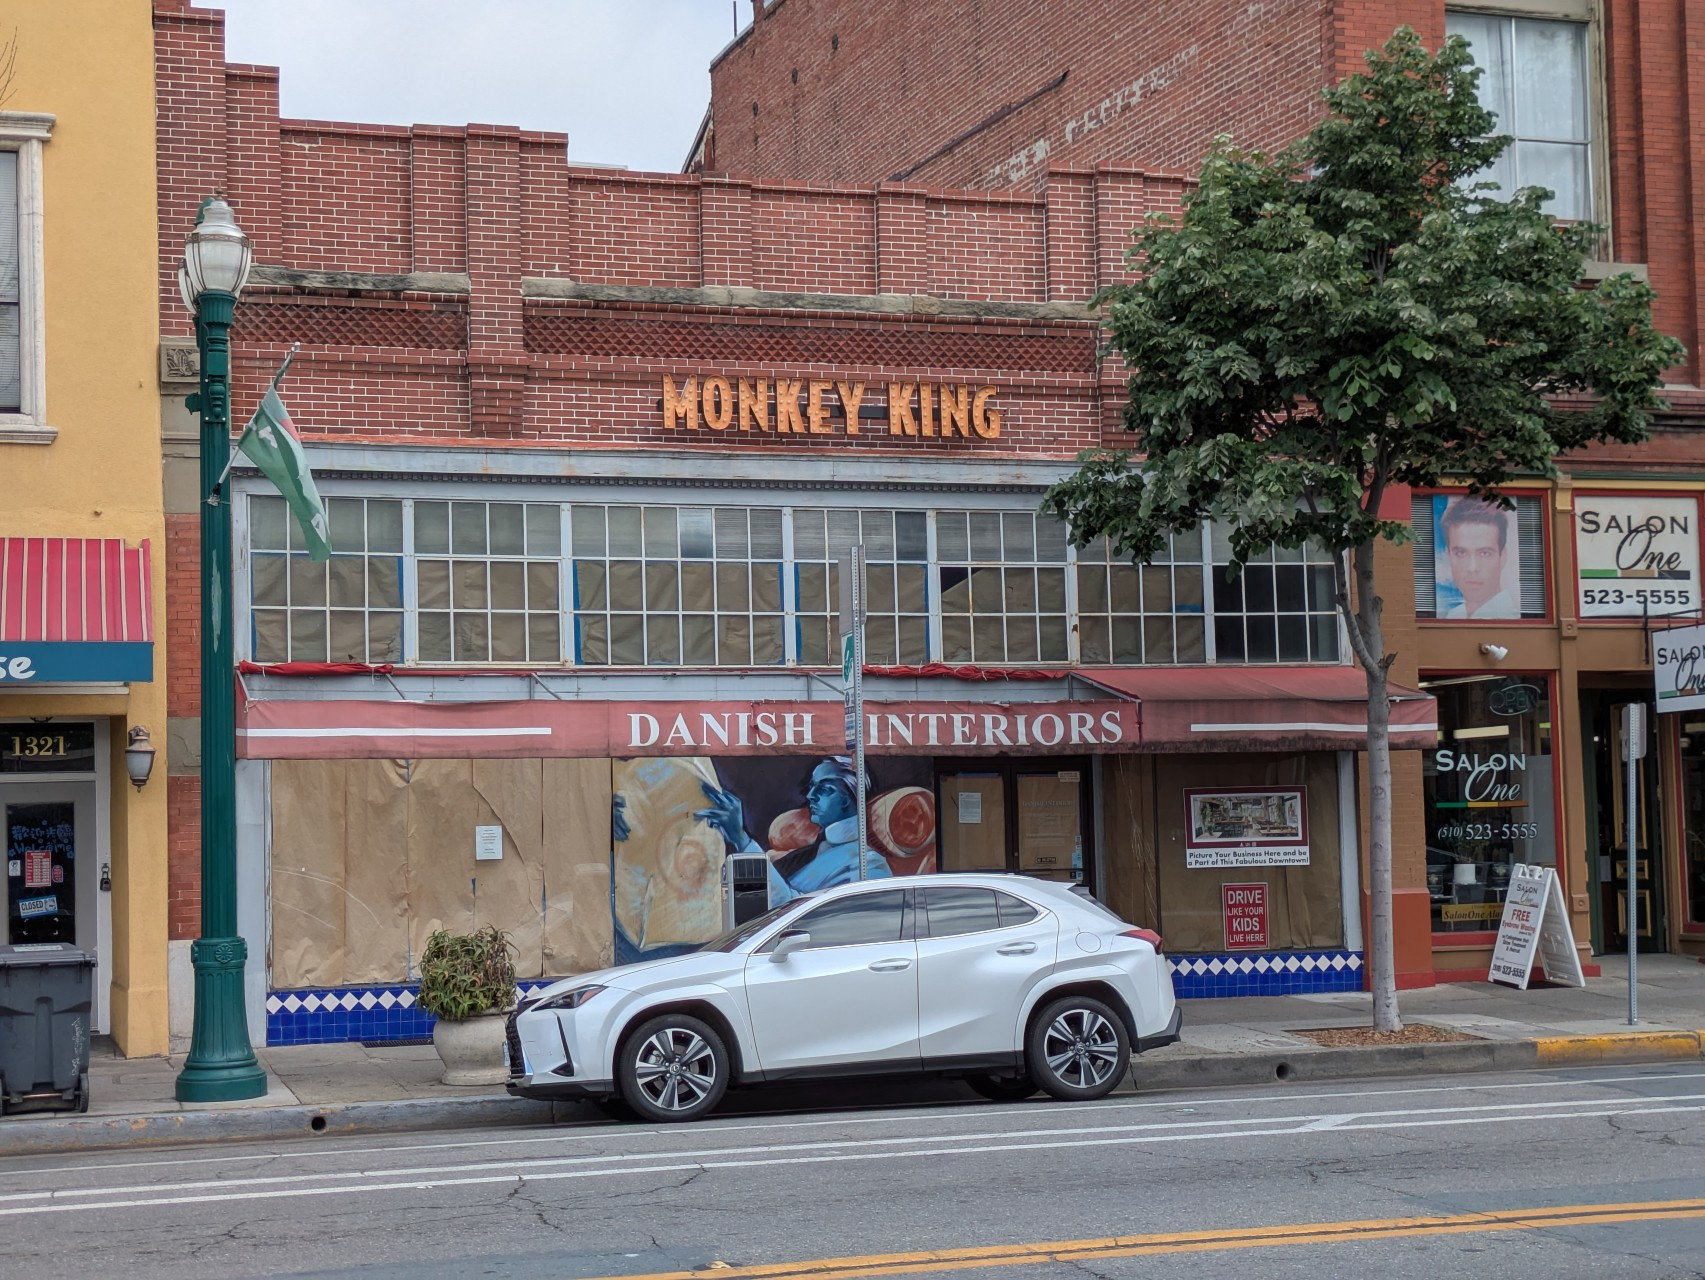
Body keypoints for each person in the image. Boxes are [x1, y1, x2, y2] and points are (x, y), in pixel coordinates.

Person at [695, 756, 890, 904]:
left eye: (824, 789)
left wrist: (742, 840)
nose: (810, 795)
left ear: (847, 799)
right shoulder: (813, 852)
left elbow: (790, 914)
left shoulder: (869, 865)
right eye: (812, 787)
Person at [1440, 499, 1519, 619]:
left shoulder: (1513, 618)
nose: (1472, 568)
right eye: (1461, 553)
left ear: (1502, 557)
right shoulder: (1452, 616)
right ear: (1448, 556)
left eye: (1484, 553)